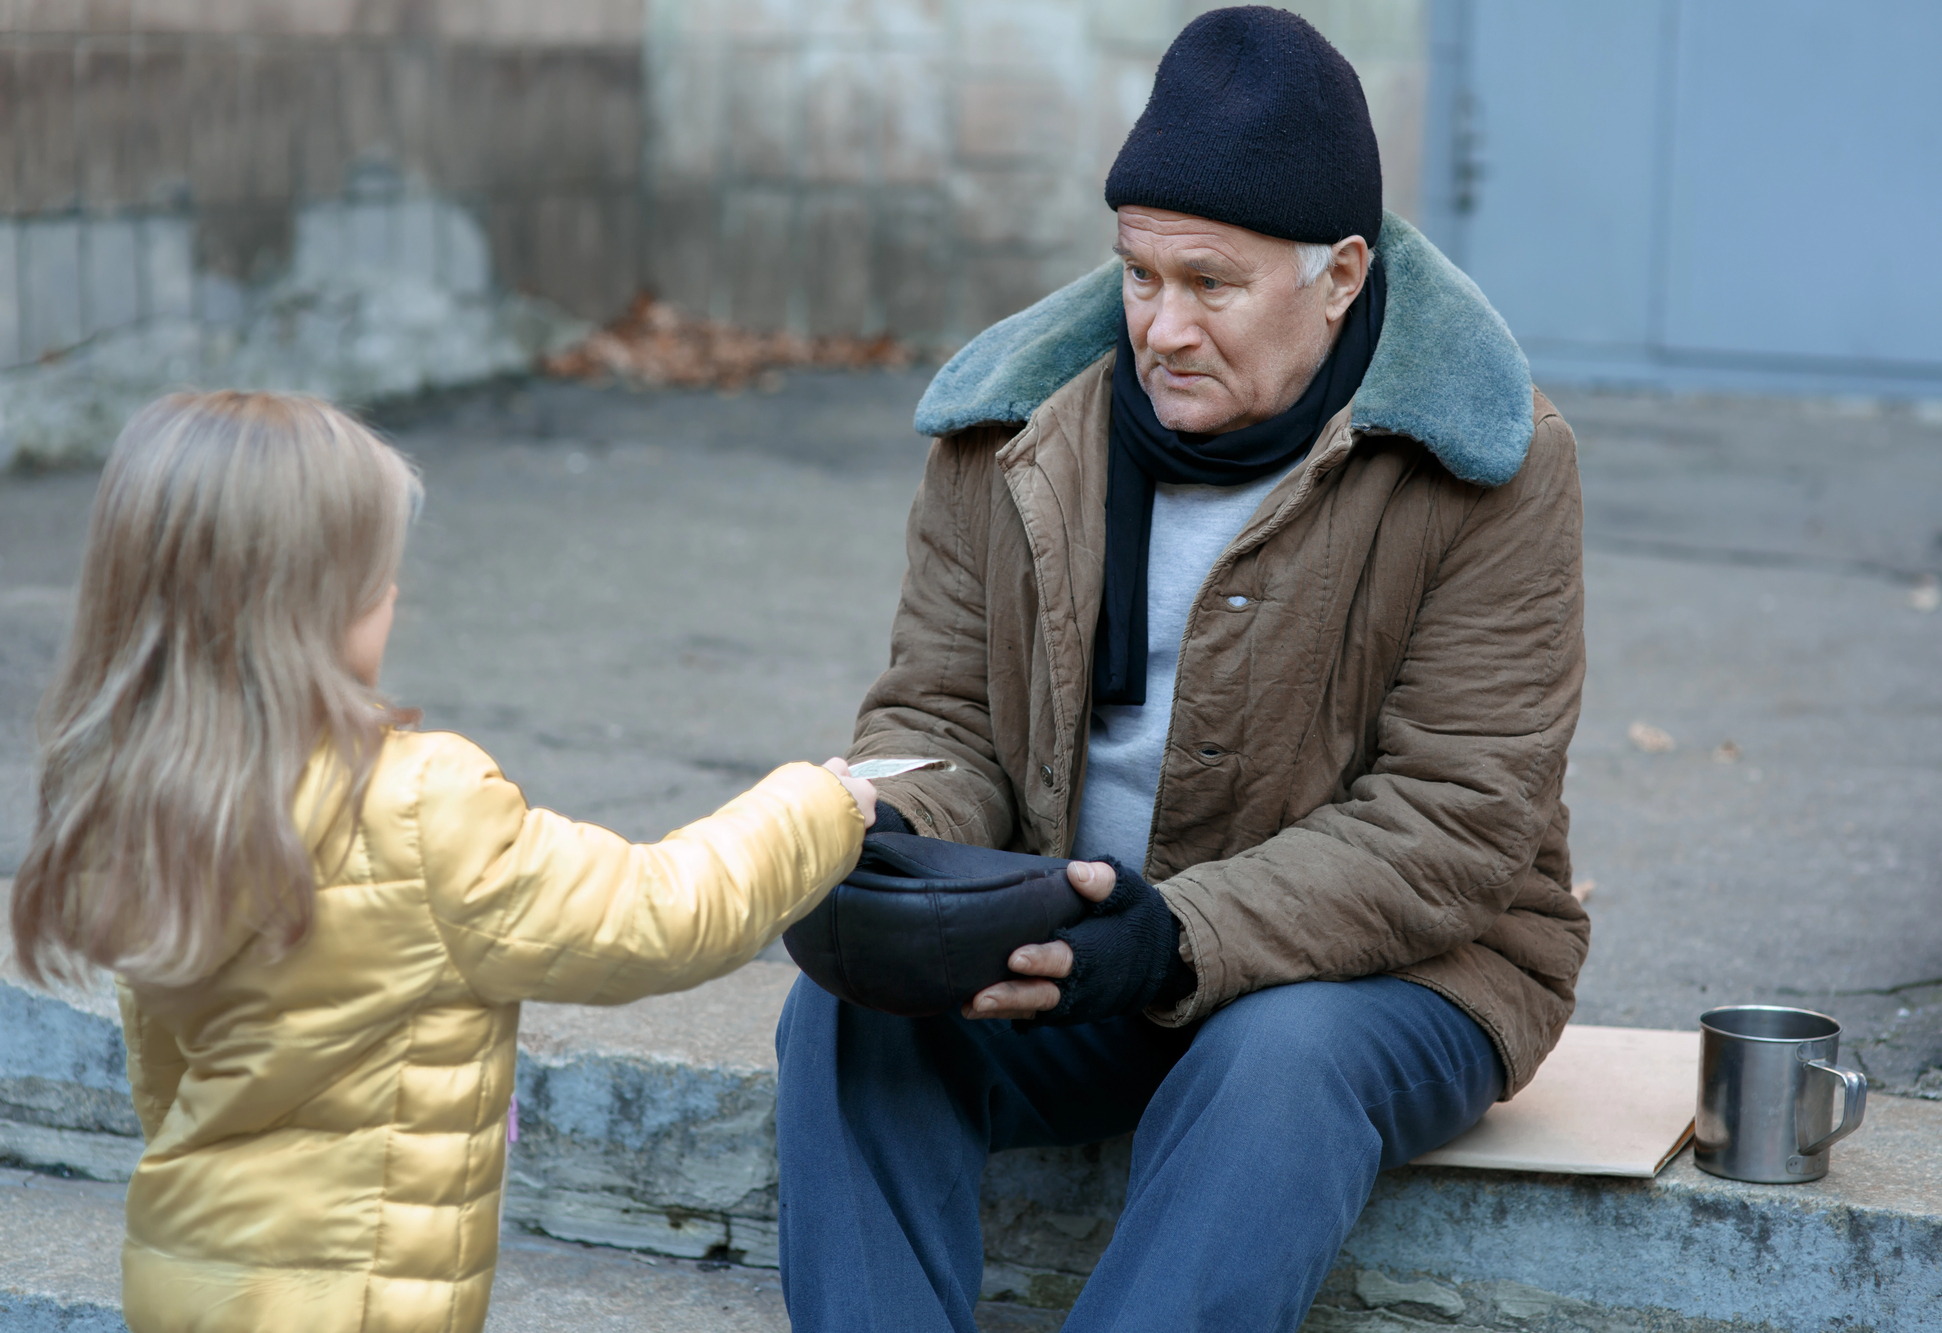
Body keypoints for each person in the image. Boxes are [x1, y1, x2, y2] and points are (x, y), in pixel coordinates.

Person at [775, 8, 1588, 1331]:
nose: (1160, 326)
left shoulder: (1490, 462)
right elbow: (937, 718)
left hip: (1393, 978)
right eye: (1139, 276)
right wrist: (880, 824)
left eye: (1212, 284)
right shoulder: (1006, 435)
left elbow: (1460, 817)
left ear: (1339, 275)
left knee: (1278, 1055)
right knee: (848, 1011)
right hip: (1076, 947)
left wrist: (1174, 941)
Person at [8, 390, 876, 1333]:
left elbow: (159, 1071)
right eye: (377, 579)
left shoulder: (130, 794)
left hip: (185, 1274)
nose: (396, 595)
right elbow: (658, 914)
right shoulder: (419, 808)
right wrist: (817, 804)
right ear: (309, 608)